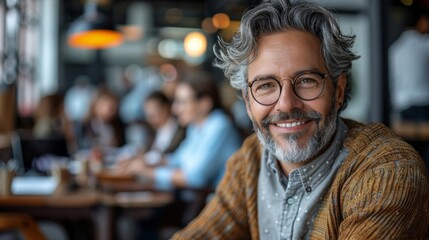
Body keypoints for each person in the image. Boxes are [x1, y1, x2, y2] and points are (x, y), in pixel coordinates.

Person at [172, 1, 429, 239]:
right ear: (248, 101)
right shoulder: (250, 161)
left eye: (307, 81)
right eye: (266, 85)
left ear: (338, 91)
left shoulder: (387, 172)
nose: (286, 104)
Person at [115, 71, 242, 191]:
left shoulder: (219, 125)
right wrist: (144, 162)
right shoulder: (196, 126)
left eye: (181, 102)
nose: (175, 109)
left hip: (216, 204)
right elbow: (177, 159)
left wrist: (146, 171)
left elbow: (195, 178)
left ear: (204, 103)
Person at [389, 6, 429, 122]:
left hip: (402, 107)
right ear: (422, 21)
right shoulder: (425, 44)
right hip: (424, 105)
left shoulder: (394, 49)